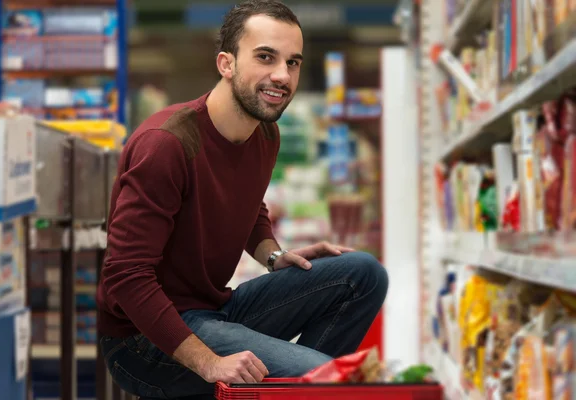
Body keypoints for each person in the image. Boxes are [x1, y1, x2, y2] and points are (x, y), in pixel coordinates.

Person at [96, 1, 389, 399]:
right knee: (323, 375)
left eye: (293, 62)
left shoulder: (265, 135)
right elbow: (125, 278)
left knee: (363, 273)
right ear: (226, 63)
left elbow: (252, 206)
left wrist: (272, 255)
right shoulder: (167, 144)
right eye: (266, 57)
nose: (282, 75)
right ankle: (304, 385)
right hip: (141, 341)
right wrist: (210, 363)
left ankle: (296, 387)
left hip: (214, 309)